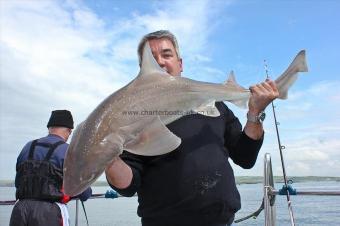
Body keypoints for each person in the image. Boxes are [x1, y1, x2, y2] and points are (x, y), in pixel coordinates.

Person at [105, 30, 279, 226]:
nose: (160, 63)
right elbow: (128, 186)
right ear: (142, 70)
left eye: (166, 55)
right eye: (152, 60)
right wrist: (108, 157)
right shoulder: (135, 117)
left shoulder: (214, 104)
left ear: (180, 64)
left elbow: (245, 157)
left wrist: (254, 114)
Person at [10, 110, 93, 226]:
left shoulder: (28, 146)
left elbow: (18, 182)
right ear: (69, 130)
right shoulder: (69, 152)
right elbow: (84, 193)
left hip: (20, 210)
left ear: (49, 128)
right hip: (49, 214)